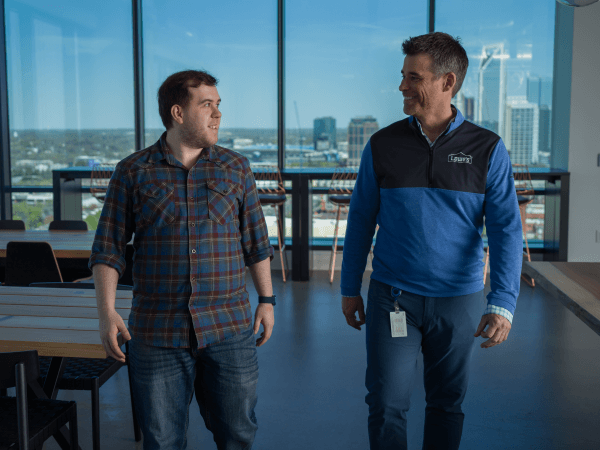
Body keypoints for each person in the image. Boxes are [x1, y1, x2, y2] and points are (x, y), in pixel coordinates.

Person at [340, 32, 522, 450]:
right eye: (402, 76)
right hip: (393, 297)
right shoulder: (382, 144)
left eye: (413, 77)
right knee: (386, 402)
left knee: (446, 403)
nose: (402, 86)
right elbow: (360, 220)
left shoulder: (488, 148)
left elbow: (506, 229)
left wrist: (504, 301)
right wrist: (350, 288)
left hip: (458, 301)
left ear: (447, 82)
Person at [90, 70, 276, 450]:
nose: (217, 114)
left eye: (218, 105)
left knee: (238, 434)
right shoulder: (132, 171)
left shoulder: (236, 168)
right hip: (157, 332)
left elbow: (256, 242)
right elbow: (108, 248)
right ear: (178, 112)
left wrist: (268, 301)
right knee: (162, 440)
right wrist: (106, 311)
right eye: (206, 105)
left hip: (228, 326)